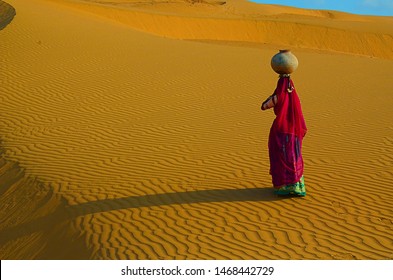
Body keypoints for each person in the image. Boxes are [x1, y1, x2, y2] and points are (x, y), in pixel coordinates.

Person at [261, 74, 307, 196]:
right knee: (294, 156)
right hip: (294, 132)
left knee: (281, 157)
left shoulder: (278, 97)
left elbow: (264, 106)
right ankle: (297, 186)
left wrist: (274, 96)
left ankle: (283, 187)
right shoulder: (295, 98)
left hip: (281, 132)